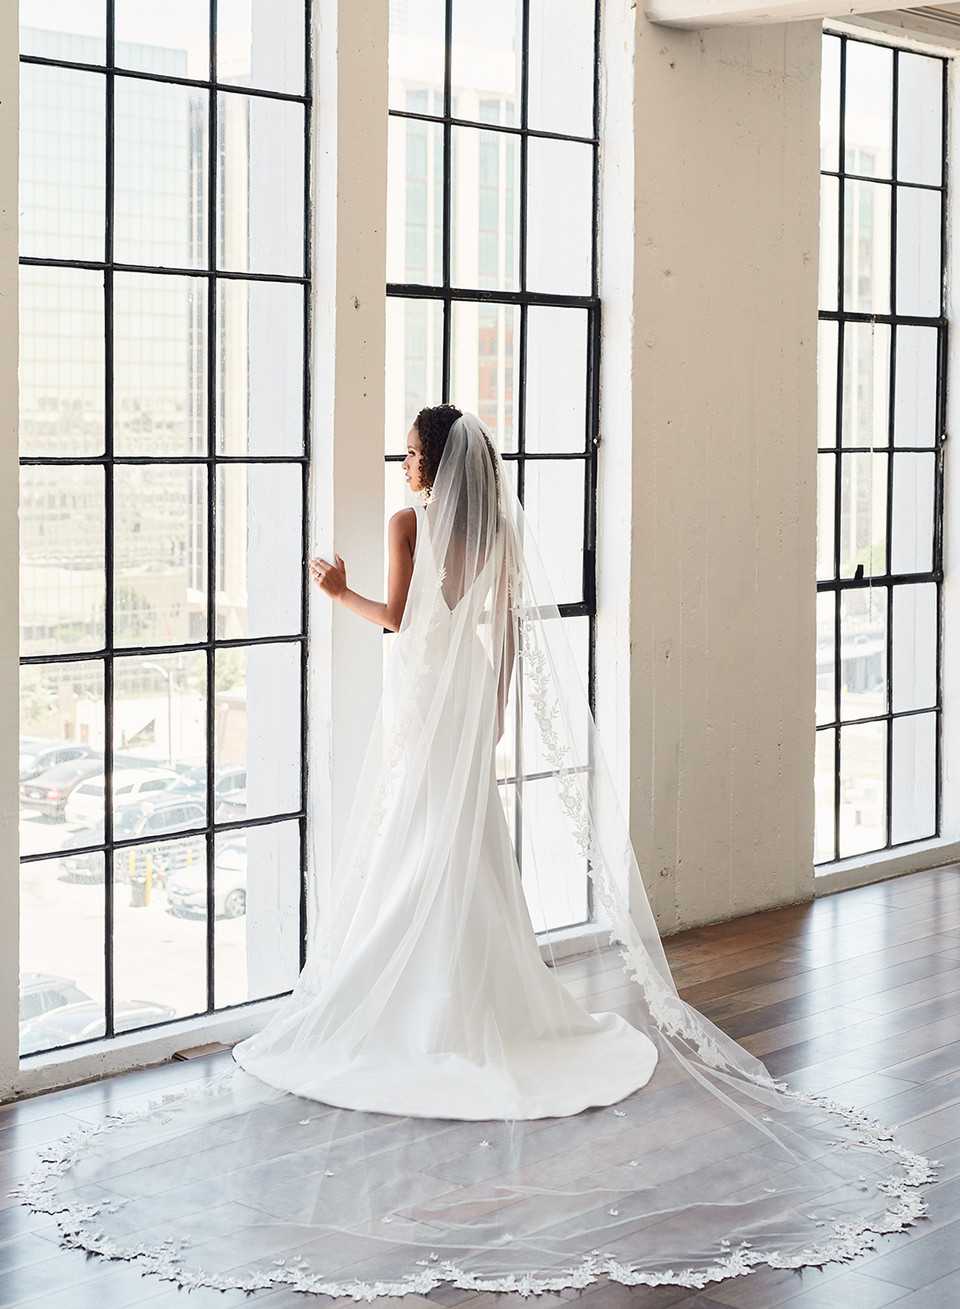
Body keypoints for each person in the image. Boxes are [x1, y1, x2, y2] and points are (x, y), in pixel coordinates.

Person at [13, 409, 935, 1300]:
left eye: (413, 451)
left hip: (424, 707)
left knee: (411, 848)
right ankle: (468, 995)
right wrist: (491, 717)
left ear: (436, 462)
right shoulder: (496, 526)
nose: (406, 463)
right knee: (457, 847)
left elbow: (403, 621)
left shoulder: (411, 519)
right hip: (466, 715)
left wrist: (335, 591)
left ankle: (409, 1005)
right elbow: (502, 642)